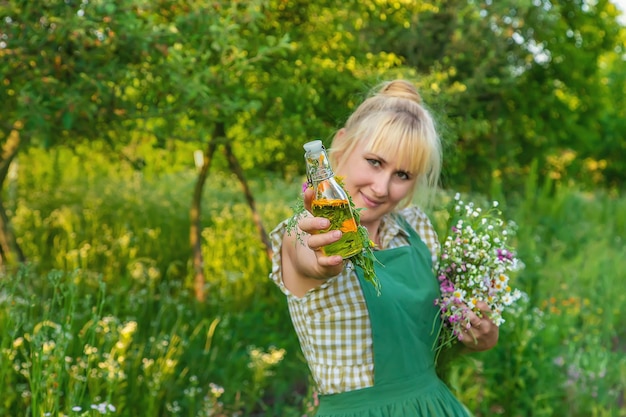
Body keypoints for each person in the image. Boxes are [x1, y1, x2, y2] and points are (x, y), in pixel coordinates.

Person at [269, 79, 499, 416]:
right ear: (342, 143)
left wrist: (479, 336)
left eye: (402, 174)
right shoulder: (303, 232)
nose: (382, 187)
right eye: (375, 162)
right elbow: (308, 257)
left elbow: (425, 342)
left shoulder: (415, 229)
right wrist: (325, 262)